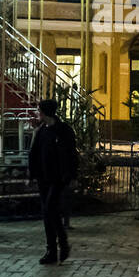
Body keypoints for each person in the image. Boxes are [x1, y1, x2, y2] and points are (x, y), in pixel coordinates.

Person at [27, 99, 79, 265]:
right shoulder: (41, 130)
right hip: (44, 178)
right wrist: (31, 175)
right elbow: (34, 153)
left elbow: (72, 154)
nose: (38, 114)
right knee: (48, 213)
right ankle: (51, 249)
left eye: (39, 111)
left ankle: (62, 243)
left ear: (45, 112)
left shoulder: (63, 130)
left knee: (50, 208)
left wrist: (72, 176)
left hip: (58, 178)